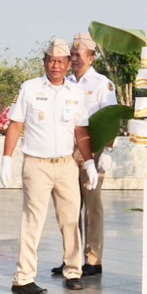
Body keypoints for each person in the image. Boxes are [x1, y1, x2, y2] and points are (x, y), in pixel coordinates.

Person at [0, 38, 99, 294]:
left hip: (66, 164)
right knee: (33, 221)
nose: (55, 66)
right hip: (37, 164)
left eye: (60, 61)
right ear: (44, 62)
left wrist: (89, 162)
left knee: (70, 220)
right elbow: (16, 125)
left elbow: (81, 130)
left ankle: (73, 271)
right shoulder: (30, 88)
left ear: (68, 64)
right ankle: (23, 278)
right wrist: (6, 158)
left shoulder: (76, 94)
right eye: (51, 61)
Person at [49, 31, 116, 281]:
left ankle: (93, 259)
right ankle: (71, 258)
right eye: (72, 55)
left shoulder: (101, 84)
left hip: (95, 147)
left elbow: (111, 117)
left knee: (92, 206)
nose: (74, 59)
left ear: (92, 58)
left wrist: (108, 150)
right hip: (68, 149)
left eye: (78, 55)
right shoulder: (66, 83)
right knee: (70, 206)